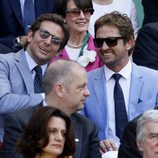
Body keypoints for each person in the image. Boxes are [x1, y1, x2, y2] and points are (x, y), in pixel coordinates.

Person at [83, 11, 158, 154]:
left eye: (111, 41)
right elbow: (79, 125)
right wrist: (96, 143)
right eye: (99, 42)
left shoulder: (154, 79)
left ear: (129, 42)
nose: (104, 48)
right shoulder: (86, 81)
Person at [1, 59, 101, 158]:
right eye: (81, 87)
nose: (87, 93)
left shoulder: (87, 127)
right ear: (60, 89)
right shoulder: (21, 121)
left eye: (63, 133)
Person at [0, 13, 69, 142]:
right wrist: (45, 98)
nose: (48, 42)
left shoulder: (61, 76)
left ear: (60, 50)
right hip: (8, 143)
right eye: (44, 34)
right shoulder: (4, 62)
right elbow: (2, 102)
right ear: (30, 35)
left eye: (55, 41)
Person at [51, 0, 102, 72]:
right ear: (63, 16)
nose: (82, 17)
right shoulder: (52, 45)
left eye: (86, 11)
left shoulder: (99, 46)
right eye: (75, 12)